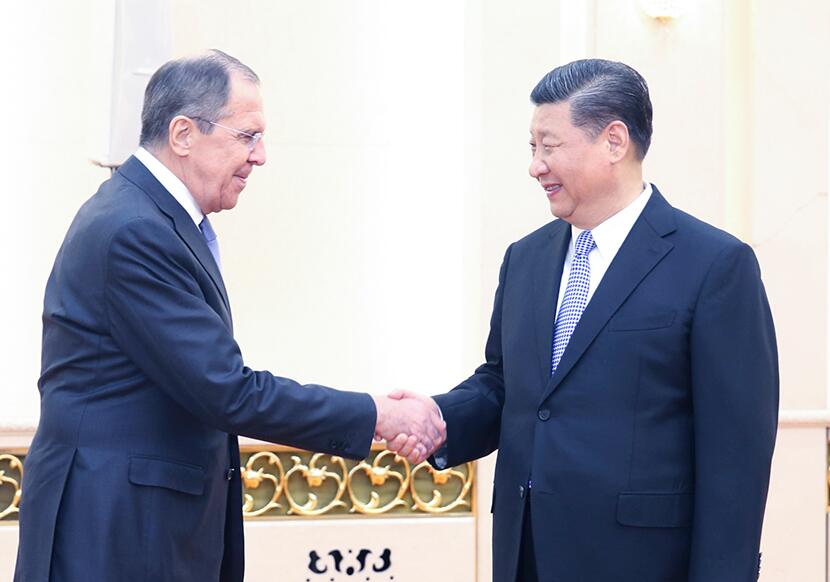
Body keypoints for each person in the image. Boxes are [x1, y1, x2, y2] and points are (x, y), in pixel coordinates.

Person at [15, 50, 444, 582]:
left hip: (140, 526)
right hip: (115, 531)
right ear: (183, 134)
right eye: (247, 136)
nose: (259, 156)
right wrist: (376, 415)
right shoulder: (134, 231)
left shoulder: (148, 216)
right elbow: (226, 390)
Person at [393, 59, 779, 581]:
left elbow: (736, 457)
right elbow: (506, 386)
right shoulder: (524, 259)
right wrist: (439, 419)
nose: (535, 166)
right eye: (532, 147)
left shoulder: (714, 265)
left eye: (549, 146)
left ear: (614, 141)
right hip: (525, 556)